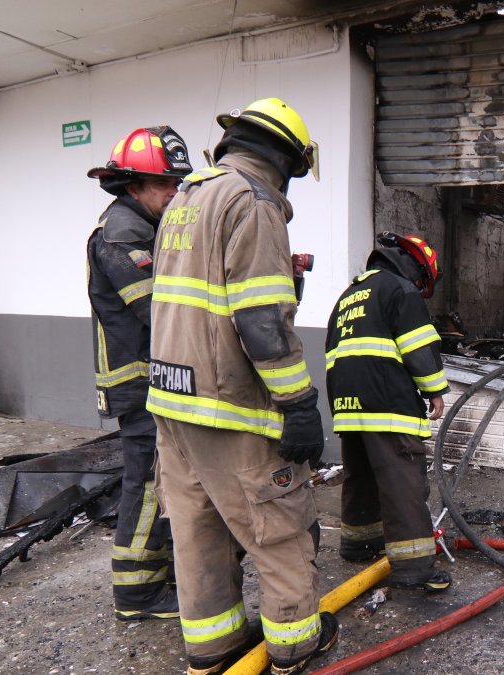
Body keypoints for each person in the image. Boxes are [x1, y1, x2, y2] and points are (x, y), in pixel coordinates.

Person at [147, 98, 336, 675]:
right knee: (277, 528)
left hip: (173, 403)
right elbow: (260, 321)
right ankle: (296, 644)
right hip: (231, 410)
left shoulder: (184, 199)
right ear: (285, 160)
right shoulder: (253, 203)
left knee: (198, 531)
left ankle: (215, 646)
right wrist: (300, 404)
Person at [85, 126, 192, 621]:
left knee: (161, 477)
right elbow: (160, 311)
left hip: (151, 376)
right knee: (148, 480)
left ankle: (157, 574)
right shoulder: (124, 232)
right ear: (133, 186)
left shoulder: (143, 224)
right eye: (165, 183)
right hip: (138, 379)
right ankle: (137, 593)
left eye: (178, 181)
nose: (175, 191)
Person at [325, 232, 452, 592]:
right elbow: (417, 346)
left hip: (347, 404)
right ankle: (414, 568)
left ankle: (358, 542)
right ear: (416, 268)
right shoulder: (400, 290)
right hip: (386, 403)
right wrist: (435, 390)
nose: (417, 285)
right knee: (402, 479)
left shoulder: (349, 296)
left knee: (360, 474)